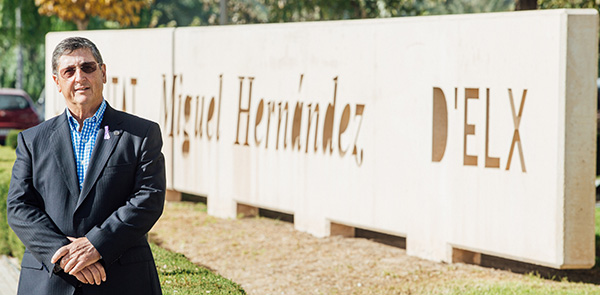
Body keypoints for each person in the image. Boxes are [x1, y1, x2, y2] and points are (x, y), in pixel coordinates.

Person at [7, 37, 165, 295]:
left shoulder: (141, 133)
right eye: (69, 71)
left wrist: (96, 245)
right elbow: (19, 206)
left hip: (121, 279)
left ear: (103, 73)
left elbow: (149, 199)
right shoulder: (32, 140)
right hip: (48, 282)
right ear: (57, 82)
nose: (79, 77)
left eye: (87, 68)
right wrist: (65, 255)